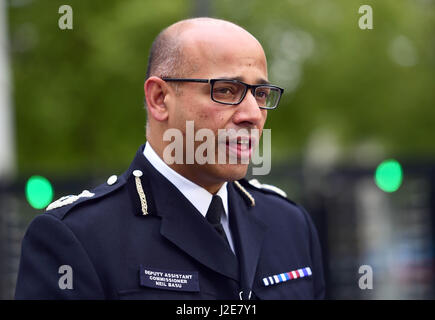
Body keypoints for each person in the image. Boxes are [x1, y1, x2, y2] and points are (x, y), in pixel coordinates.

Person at [15, 17, 325, 300]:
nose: (252, 115)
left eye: (260, 94)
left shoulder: (289, 224)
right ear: (159, 99)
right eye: (227, 91)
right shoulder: (78, 238)